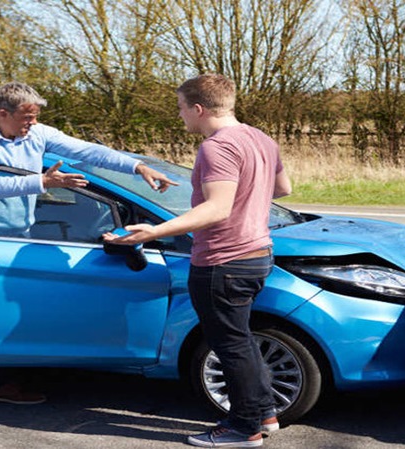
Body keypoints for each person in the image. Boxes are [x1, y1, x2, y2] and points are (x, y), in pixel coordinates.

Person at [0, 81, 177, 415]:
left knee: (7, 315)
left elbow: (88, 151)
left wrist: (138, 167)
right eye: (27, 117)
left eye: (35, 117)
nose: (32, 124)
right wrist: (44, 182)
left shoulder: (36, 134)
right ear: (2, 113)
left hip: (19, 238)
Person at [103, 74, 292, 448]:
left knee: (230, 344)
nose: (180, 116)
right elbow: (283, 188)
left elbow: (217, 209)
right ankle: (263, 412)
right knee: (240, 338)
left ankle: (243, 428)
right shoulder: (261, 139)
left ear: (199, 108)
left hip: (223, 259)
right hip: (258, 253)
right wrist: (248, 196)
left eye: (180, 108)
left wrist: (154, 231)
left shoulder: (216, 147)